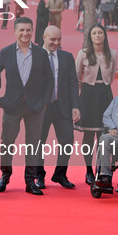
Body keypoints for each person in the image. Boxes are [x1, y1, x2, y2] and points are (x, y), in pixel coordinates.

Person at [0, 17, 53, 196]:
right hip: (12, 105)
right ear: (15, 31)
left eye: (28, 30)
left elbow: (49, 80)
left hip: (36, 108)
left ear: (32, 31)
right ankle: (5, 175)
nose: (25, 33)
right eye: (21, 30)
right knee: (7, 143)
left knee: (33, 144)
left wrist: (44, 102)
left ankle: (30, 180)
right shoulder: (5, 53)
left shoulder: (42, 54)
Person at [36, 26, 80, 189]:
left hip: (63, 107)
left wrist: (76, 106)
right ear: (44, 38)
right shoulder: (35, 56)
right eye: (52, 39)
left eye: (58, 40)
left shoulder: (67, 57)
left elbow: (73, 83)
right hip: (42, 109)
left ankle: (60, 174)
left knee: (68, 140)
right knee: (39, 143)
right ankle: (39, 176)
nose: (56, 43)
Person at [74, 24, 117, 185]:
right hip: (88, 94)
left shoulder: (112, 53)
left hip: (105, 94)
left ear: (104, 35)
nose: (97, 35)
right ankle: (89, 170)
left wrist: (102, 86)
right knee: (88, 135)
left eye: (100, 32)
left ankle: (101, 169)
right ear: (90, 36)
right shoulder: (83, 53)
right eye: (94, 33)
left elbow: (111, 77)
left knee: (103, 135)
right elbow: (77, 75)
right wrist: (85, 89)